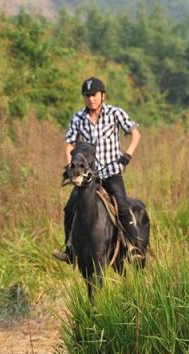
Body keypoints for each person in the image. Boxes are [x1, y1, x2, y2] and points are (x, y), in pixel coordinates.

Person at [53, 76, 142, 263]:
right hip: (87, 178)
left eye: (94, 95)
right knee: (70, 208)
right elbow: (69, 144)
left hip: (111, 173)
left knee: (123, 207)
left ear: (102, 96)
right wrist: (71, 167)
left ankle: (133, 247)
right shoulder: (78, 118)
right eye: (87, 95)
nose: (90, 99)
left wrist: (128, 155)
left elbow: (135, 134)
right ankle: (69, 250)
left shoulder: (114, 113)